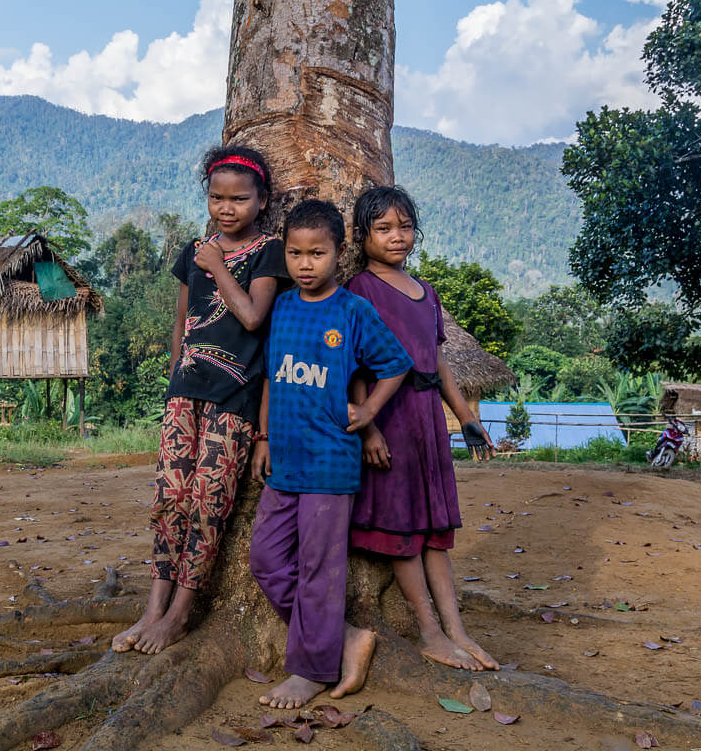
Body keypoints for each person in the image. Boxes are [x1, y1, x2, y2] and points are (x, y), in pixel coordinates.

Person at [112, 146, 289, 655]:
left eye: (239, 198)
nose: (226, 208)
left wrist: (216, 264)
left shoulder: (269, 252)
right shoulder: (192, 251)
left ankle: (180, 616)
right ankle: (152, 610)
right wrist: (175, 379)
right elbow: (181, 321)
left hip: (235, 397)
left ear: (261, 201)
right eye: (216, 197)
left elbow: (254, 317)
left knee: (208, 504)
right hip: (185, 395)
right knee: (170, 499)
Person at [248, 200, 412, 709]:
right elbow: (274, 379)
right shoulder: (282, 308)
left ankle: (311, 670)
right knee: (266, 560)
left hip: (329, 464)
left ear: (338, 255)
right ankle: (341, 636)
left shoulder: (353, 311)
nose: (304, 264)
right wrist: (264, 437)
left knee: (321, 569)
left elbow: (395, 364)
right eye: (295, 253)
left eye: (316, 254)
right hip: (284, 462)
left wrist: (368, 414)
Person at [346, 185, 499, 672]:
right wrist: (369, 430)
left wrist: (467, 417)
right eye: (384, 228)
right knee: (403, 529)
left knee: (435, 528)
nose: (397, 237)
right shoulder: (360, 291)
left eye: (405, 227)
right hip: (388, 418)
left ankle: (456, 629)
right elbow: (352, 368)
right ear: (362, 235)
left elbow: (438, 361)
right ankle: (429, 631)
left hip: (428, 421)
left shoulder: (426, 292)